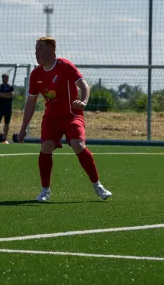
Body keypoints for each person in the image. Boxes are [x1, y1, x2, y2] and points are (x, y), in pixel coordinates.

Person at [18, 37, 112, 201]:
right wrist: (23, 126)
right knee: (46, 147)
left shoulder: (65, 66)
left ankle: (98, 186)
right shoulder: (36, 74)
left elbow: (84, 85)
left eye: (41, 48)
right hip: (51, 118)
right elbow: (31, 102)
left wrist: (83, 102)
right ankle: (45, 190)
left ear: (52, 50)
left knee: (78, 144)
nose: (37, 51)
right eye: (36, 48)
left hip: (71, 116)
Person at [0, 73, 14, 144]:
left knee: (7, 123)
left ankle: (4, 138)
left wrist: (3, 95)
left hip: (8, 108)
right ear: (2, 79)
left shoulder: (11, 87)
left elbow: (12, 95)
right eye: (4, 78)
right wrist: (6, 95)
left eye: (6, 78)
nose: (5, 79)